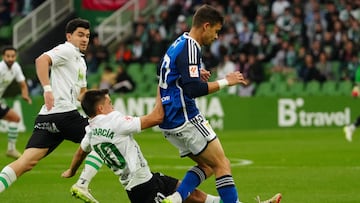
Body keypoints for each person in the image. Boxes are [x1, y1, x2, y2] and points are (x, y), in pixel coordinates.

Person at [157, 4, 281, 203]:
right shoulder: (191, 46)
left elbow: (165, 72)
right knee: (223, 164)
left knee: (208, 166)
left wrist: (195, 73)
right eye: (216, 31)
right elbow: (193, 90)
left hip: (170, 120)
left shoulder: (178, 42)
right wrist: (226, 81)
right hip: (185, 115)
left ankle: (176, 199)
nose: (216, 37)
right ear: (206, 26)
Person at [0, 18, 103, 203]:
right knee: (104, 137)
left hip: (48, 117)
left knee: (26, 162)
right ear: (69, 36)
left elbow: (82, 95)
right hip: (64, 114)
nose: (85, 39)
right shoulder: (66, 50)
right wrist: (47, 89)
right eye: (80, 35)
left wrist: (99, 108)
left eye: (87, 36)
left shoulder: (80, 61)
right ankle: (82, 184)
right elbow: (41, 60)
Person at [62, 88, 224, 203]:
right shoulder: (115, 121)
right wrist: (162, 88)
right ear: (101, 108)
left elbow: (80, 153)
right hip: (143, 189)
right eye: (110, 103)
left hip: (147, 179)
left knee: (191, 195)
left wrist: (72, 171)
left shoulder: (91, 131)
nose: (114, 107)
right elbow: (156, 118)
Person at [0, 46, 32, 159]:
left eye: (12, 56)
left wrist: (25, 94)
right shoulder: (0, 68)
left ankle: (11, 149)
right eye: (8, 56)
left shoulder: (16, 67)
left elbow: (23, 84)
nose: (10, 58)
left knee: (15, 118)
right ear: (3, 57)